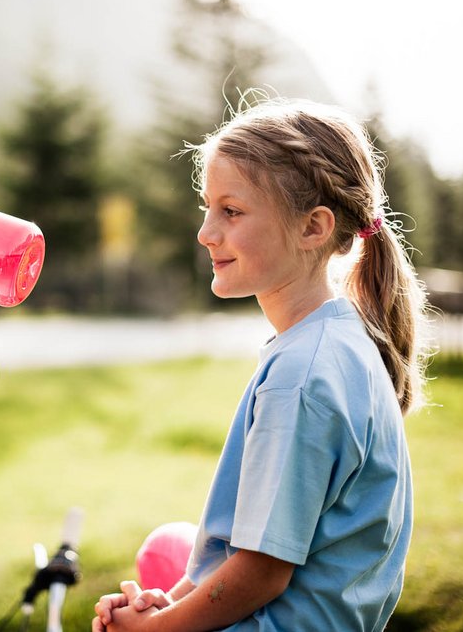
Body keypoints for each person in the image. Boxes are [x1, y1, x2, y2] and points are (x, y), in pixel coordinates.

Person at [93, 97, 431, 631]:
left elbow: (262, 572)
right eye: (208, 208)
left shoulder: (302, 374)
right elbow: (245, 553)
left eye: (231, 211)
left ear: (313, 228)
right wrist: (169, 605)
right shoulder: (335, 341)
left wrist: (153, 630)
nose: (206, 232)